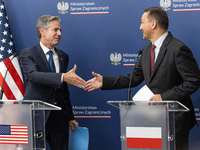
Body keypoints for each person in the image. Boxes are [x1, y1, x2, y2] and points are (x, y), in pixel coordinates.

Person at [84, 7, 200, 150]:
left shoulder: (178, 49)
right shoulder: (146, 51)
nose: (139, 27)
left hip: (175, 121)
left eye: (142, 22)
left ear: (153, 24)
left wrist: (164, 97)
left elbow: (193, 81)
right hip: (152, 119)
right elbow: (134, 78)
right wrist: (104, 81)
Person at [20, 15, 86, 150]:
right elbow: (33, 76)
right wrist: (62, 77)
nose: (59, 34)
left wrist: (70, 116)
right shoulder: (28, 53)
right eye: (55, 30)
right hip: (36, 116)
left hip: (59, 118)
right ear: (42, 31)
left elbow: (64, 90)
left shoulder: (63, 56)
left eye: (60, 30)